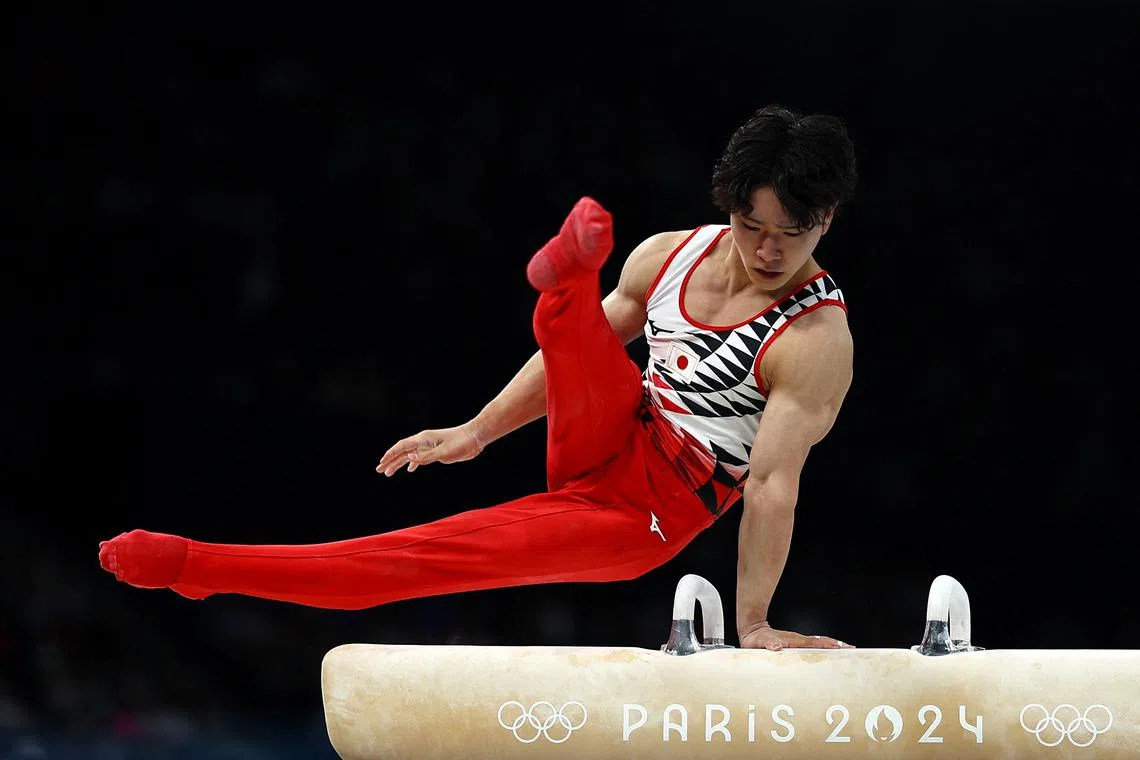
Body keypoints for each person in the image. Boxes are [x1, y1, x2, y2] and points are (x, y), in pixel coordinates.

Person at [99, 104, 858, 651]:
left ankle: (197, 566)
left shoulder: (815, 337)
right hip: (617, 426)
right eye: (751, 226)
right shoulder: (667, 254)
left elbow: (770, 487)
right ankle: (565, 289)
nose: (766, 251)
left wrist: (752, 621)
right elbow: (579, 371)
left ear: (824, 221)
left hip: (646, 513)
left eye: (789, 235)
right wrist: (477, 432)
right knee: (586, 338)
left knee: (416, 558)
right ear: (726, 205)